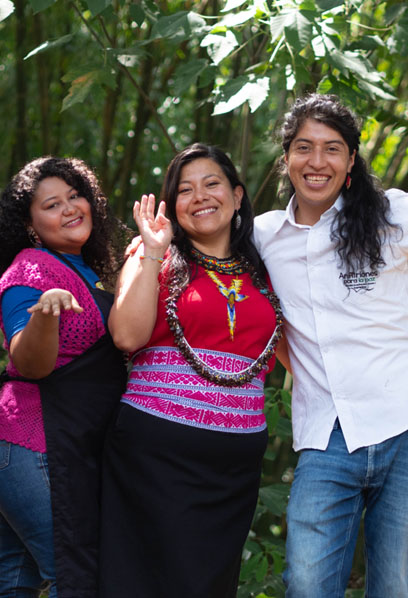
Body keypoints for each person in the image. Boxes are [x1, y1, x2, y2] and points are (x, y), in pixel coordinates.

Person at [98, 143, 284, 598]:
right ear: (172, 204)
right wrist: (153, 253)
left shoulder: (264, 268)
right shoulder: (152, 254)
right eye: (185, 189)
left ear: (238, 196)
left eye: (212, 183)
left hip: (233, 473)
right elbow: (126, 336)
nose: (200, 195)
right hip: (155, 461)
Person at [254, 93, 408, 597]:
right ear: (286, 159)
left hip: (403, 424)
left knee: (397, 585)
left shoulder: (393, 216)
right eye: (304, 147)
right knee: (308, 583)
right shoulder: (263, 236)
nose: (316, 161)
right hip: (325, 435)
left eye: (332, 149)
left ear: (349, 164)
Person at [0, 157, 128, 598]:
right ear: (31, 226)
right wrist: (44, 316)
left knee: (18, 580)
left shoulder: (81, 268)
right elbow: (28, 362)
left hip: (52, 442)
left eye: (74, 196)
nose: (70, 208)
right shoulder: (30, 272)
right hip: (29, 444)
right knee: (80, 576)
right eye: (52, 204)